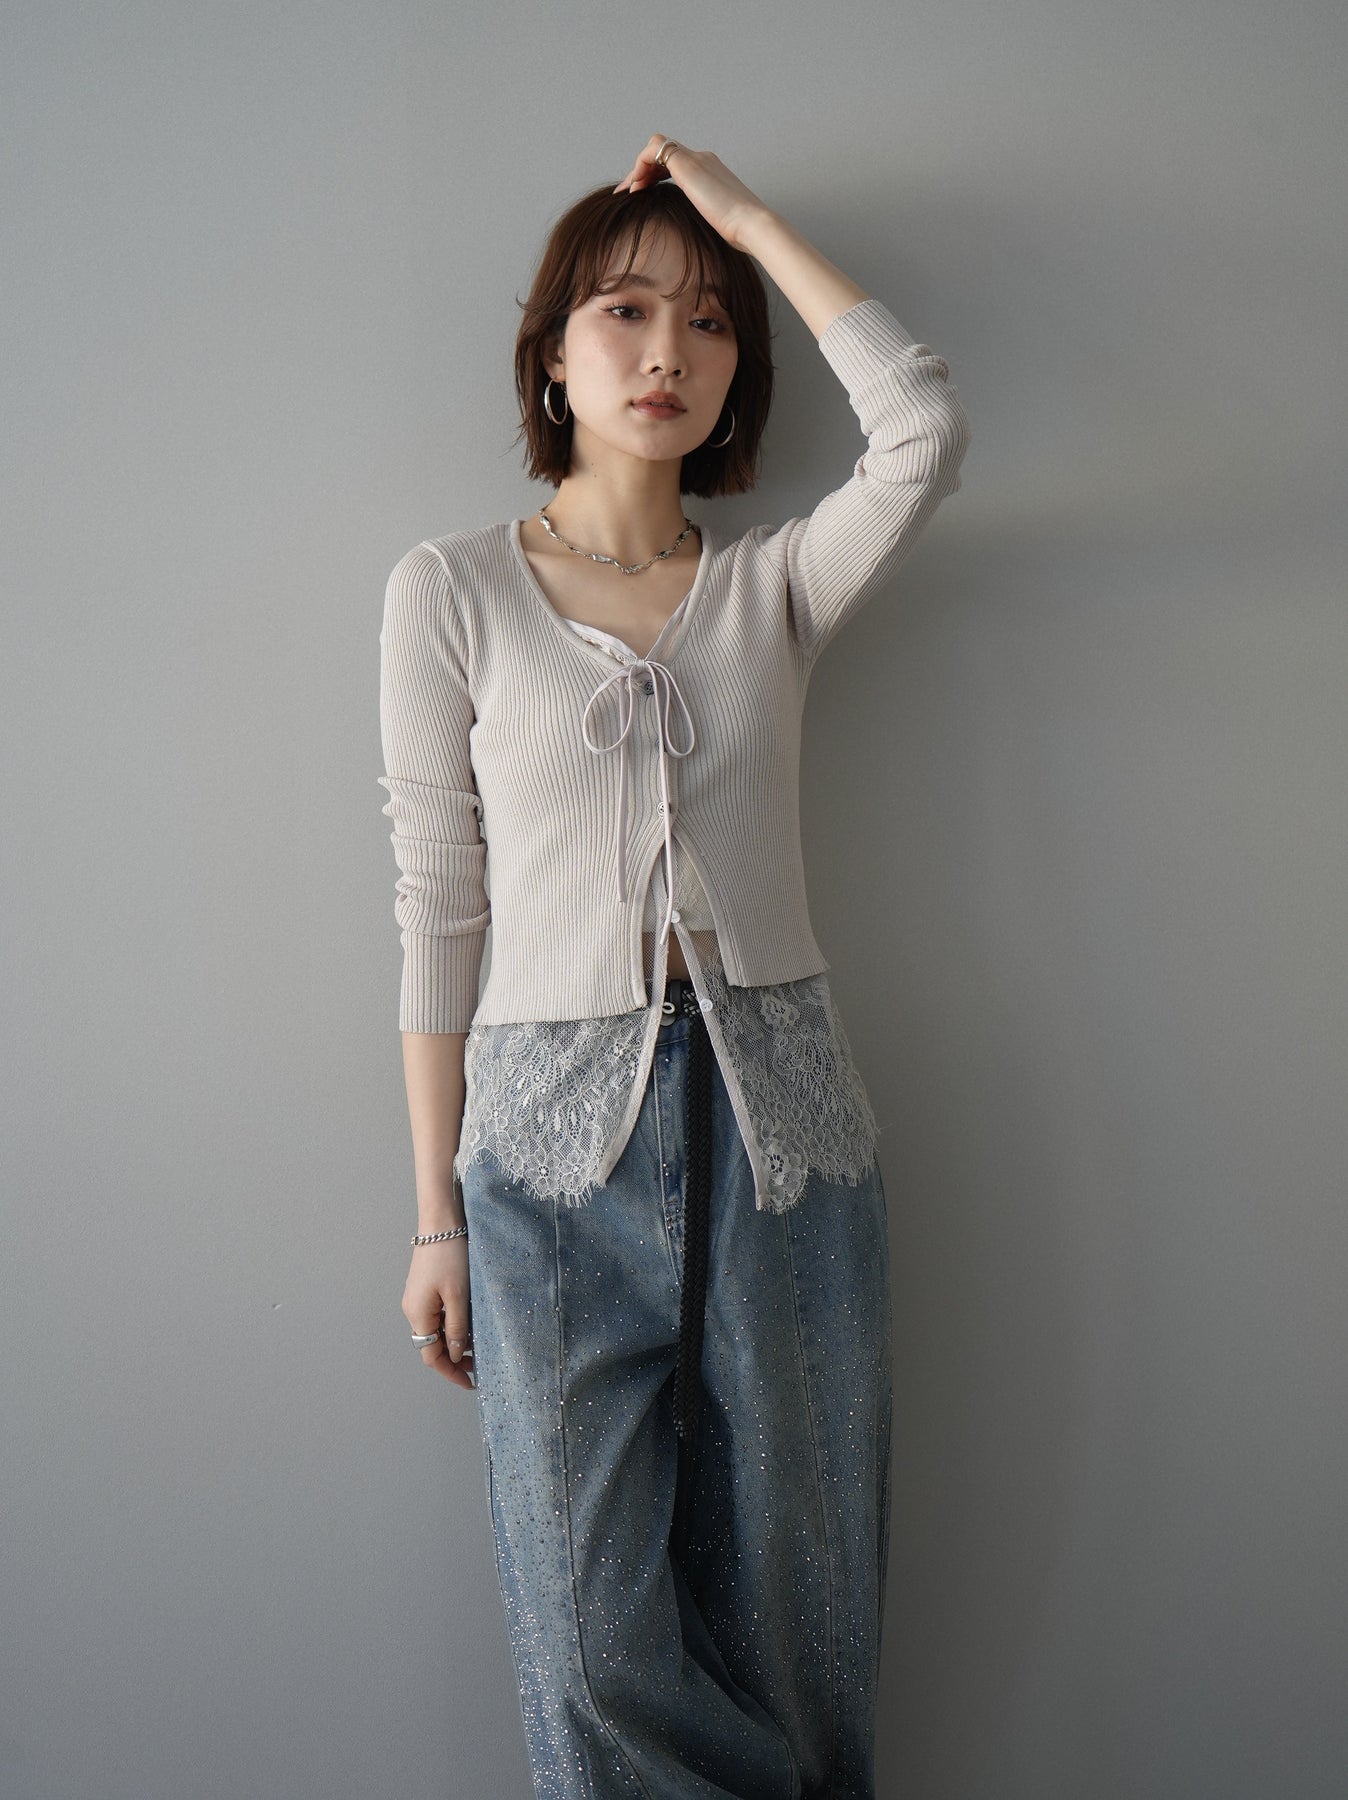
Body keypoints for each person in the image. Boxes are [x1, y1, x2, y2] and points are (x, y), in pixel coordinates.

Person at [377, 134, 971, 1799]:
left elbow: (924, 434)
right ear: (551, 356)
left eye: (710, 320)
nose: (667, 351)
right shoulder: (452, 590)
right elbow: (436, 905)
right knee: (587, 1634)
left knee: (805, 1602)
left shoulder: (775, 588)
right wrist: (433, 1214)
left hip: (789, 1119)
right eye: (625, 311)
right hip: (545, 1136)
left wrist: (752, 220)